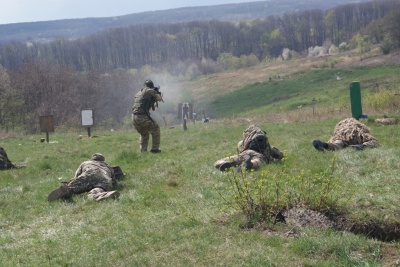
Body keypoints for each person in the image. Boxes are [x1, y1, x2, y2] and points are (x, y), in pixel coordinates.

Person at [48, 153, 120, 202]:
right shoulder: (107, 165)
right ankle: (100, 195)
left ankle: (67, 190)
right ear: (102, 160)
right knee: (99, 189)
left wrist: (73, 182)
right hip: (104, 179)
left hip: (89, 175)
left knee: (72, 188)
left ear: (93, 158)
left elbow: (76, 175)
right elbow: (113, 180)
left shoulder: (86, 163)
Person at [214, 125, 284, 171]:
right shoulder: (269, 148)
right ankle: (250, 164)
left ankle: (222, 163)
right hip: (259, 155)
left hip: (246, 153)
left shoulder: (242, 143)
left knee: (228, 160)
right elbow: (280, 155)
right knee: (258, 161)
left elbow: (240, 148)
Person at [132, 80, 163, 153]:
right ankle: (155, 149)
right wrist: (156, 93)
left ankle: (143, 151)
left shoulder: (139, 92)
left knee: (144, 133)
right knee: (156, 128)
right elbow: (159, 99)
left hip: (134, 117)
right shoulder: (149, 90)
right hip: (142, 116)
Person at [312, 117, 379, 151]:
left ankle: (325, 145)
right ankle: (362, 146)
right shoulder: (359, 127)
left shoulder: (340, 130)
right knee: (371, 141)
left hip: (342, 136)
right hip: (357, 134)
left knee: (337, 143)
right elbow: (375, 142)